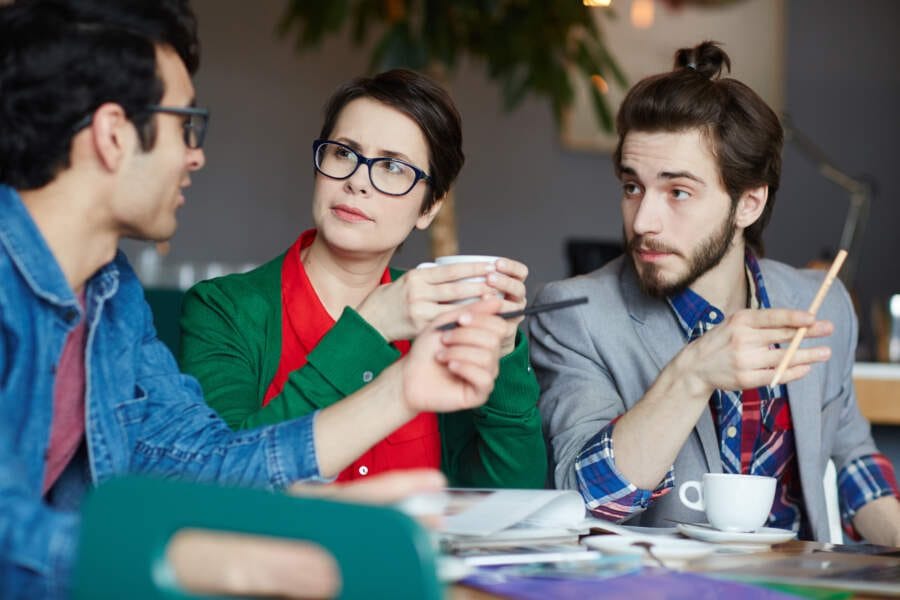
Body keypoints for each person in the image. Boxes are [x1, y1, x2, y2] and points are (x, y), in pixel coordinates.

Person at [0, 0, 511, 597]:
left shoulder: (113, 298)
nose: (197, 154)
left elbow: (201, 463)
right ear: (114, 135)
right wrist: (223, 562)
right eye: (184, 124)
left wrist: (400, 392)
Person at [530, 41, 900, 544]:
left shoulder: (820, 302)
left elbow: (854, 462)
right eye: (632, 186)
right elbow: (587, 497)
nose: (643, 221)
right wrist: (694, 372)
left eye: (678, 191)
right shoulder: (574, 315)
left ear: (748, 203)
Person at [177, 69, 546, 487]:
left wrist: (503, 357)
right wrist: (369, 328)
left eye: (391, 166)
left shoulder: (440, 318)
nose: (356, 181)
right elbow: (221, 482)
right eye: (343, 153)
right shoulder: (223, 308)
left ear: (430, 207)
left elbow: (510, 495)